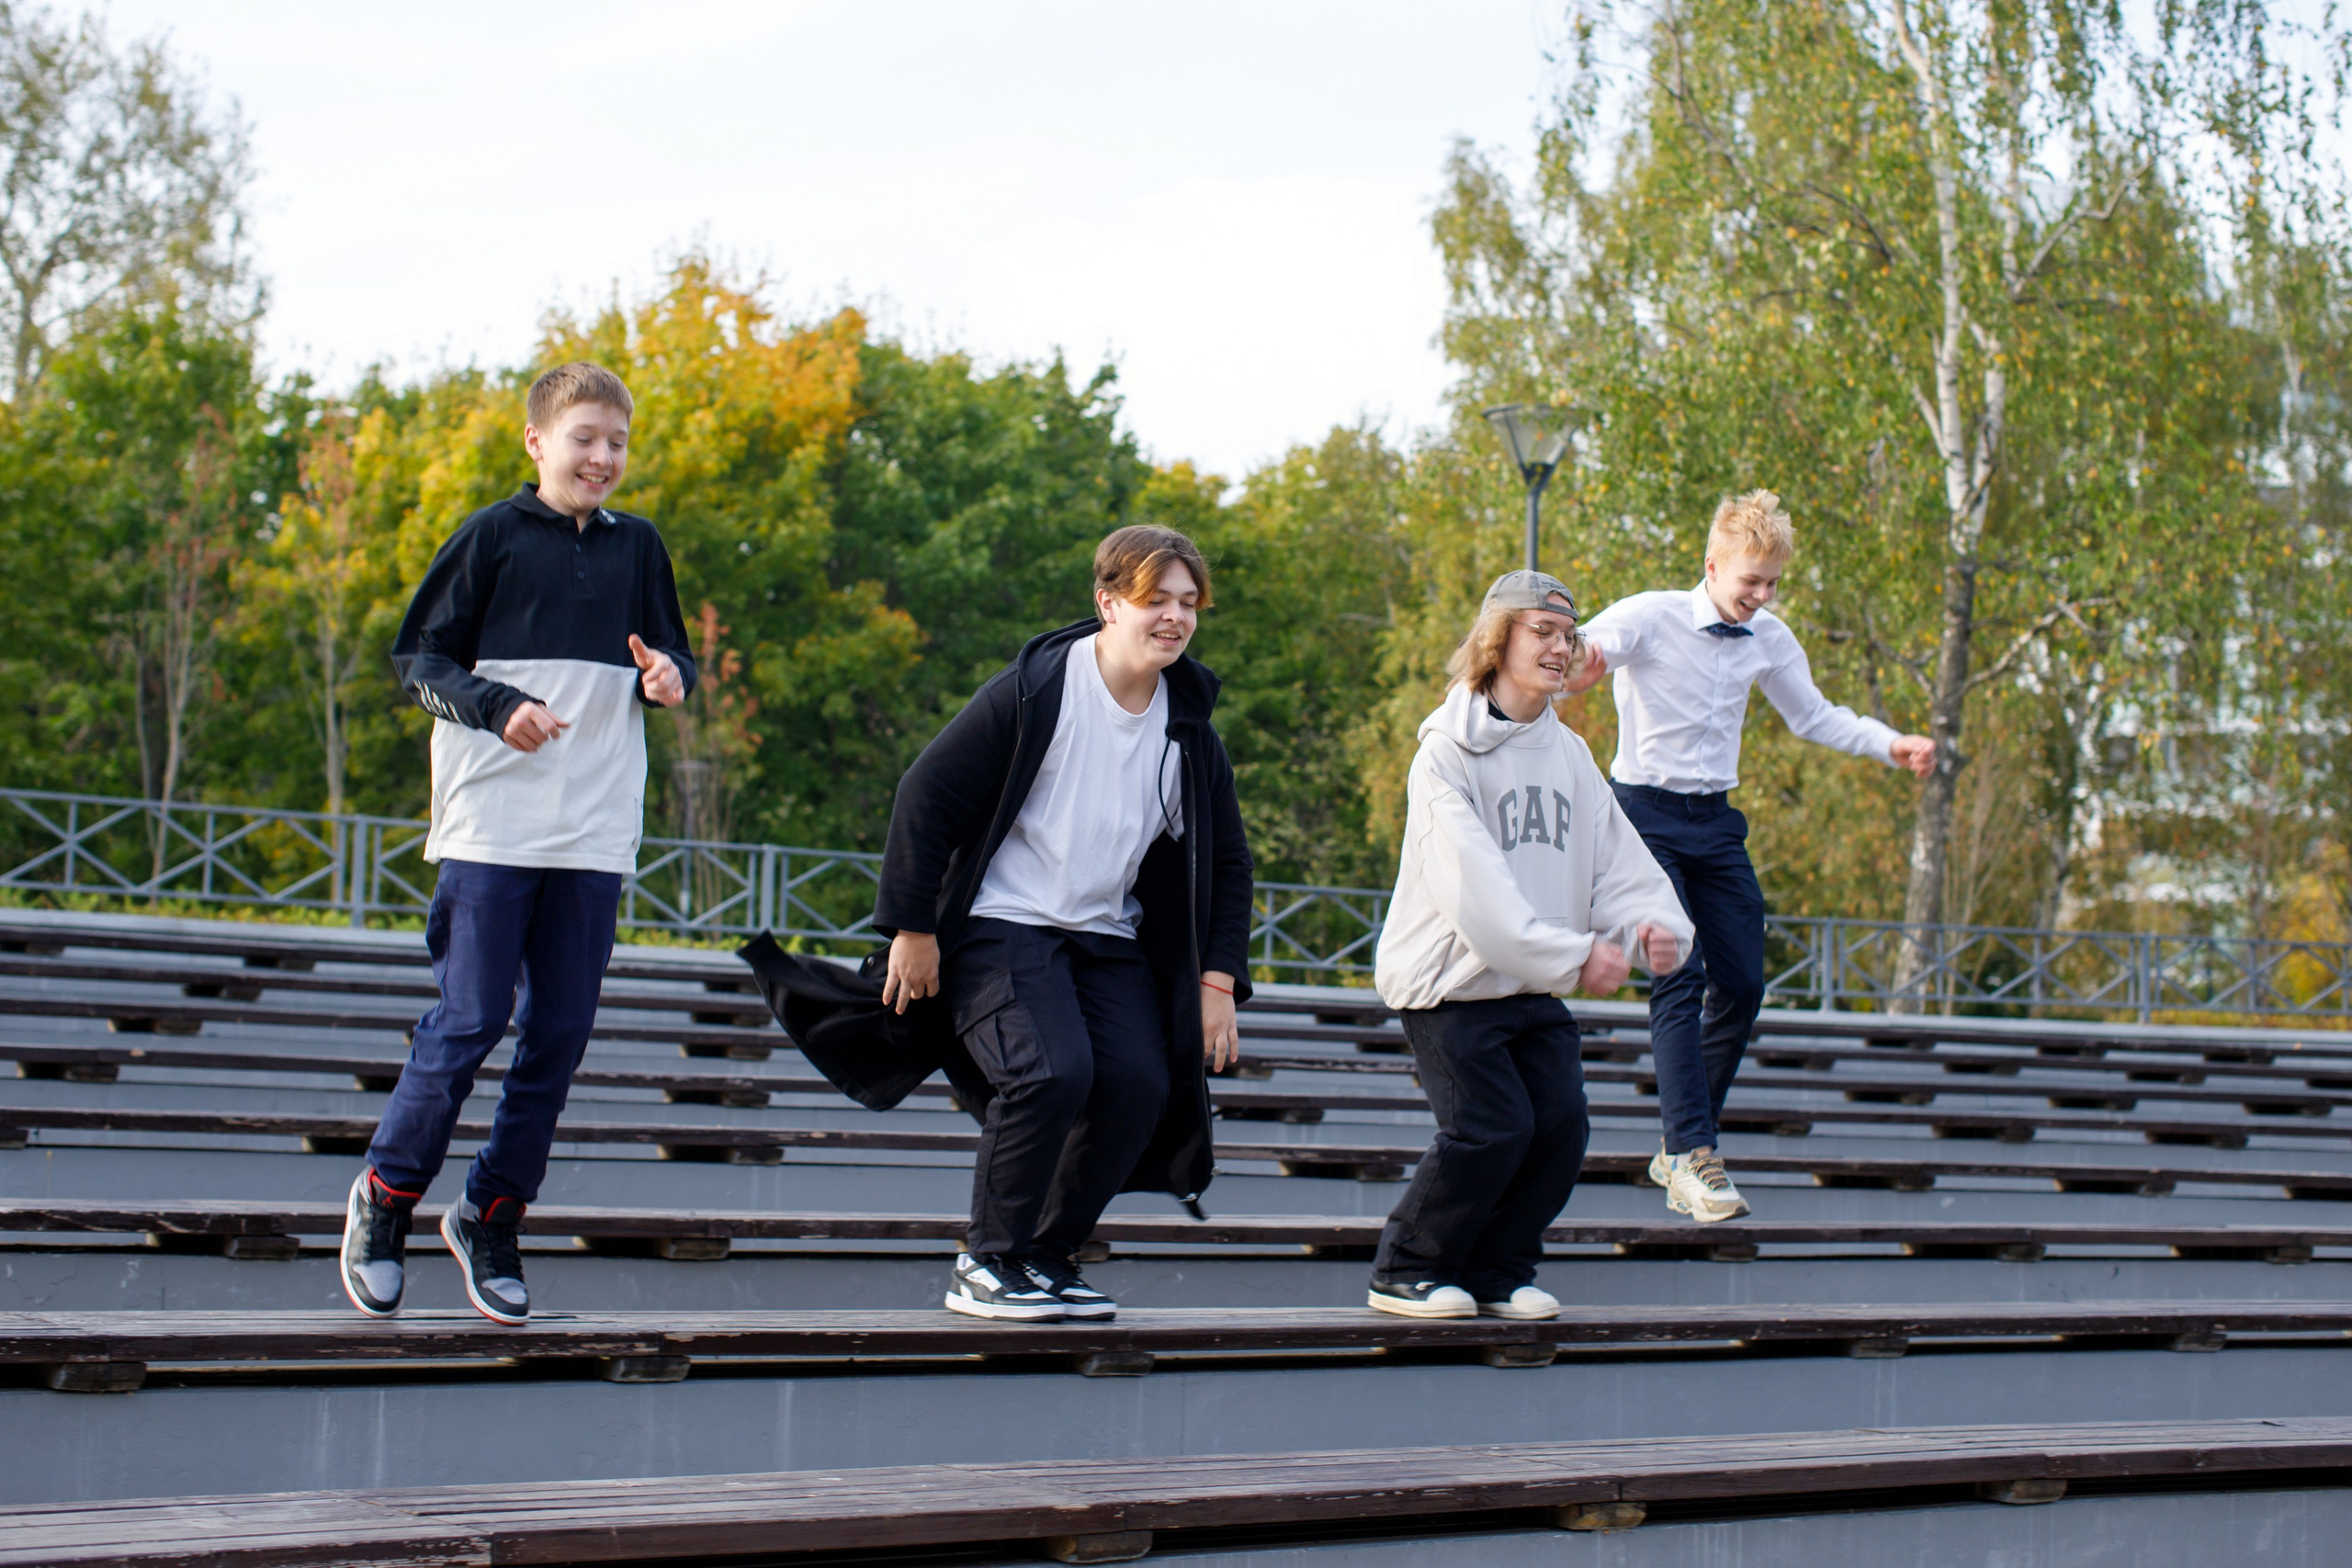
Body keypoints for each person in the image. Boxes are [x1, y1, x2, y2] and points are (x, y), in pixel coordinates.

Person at [338, 362, 696, 1325]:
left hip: (593, 829)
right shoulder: (491, 536)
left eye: (617, 442)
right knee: (469, 1018)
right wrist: (499, 709)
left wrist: (670, 678)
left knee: (561, 1033)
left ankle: (492, 1212)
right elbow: (419, 661)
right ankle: (387, 1197)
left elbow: (671, 656)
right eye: (585, 438)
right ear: (537, 441)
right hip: (493, 823)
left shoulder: (639, 547)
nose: (604, 458)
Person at [872, 525, 1254, 1324]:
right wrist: (912, 927)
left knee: (1141, 1083)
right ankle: (986, 1259)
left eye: (1189, 604)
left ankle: (1045, 1254)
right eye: (1157, 600)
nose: (1175, 618)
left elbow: (1227, 863)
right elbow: (926, 793)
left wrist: (1218, 980)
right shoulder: (1037, 690)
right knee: (1049, 1071)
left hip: (1104, 934)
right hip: (1003, 921)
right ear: (1109, 601)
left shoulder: (1187, 728)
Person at [1567, 491, 1935, 1223]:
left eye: (1772, 585)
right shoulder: (1651, 614)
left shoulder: (1769, 634)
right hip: (1643, 817)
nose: (1760, 597)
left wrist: (1888, 742)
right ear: (1713, 566)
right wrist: (1583, 661)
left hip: (1716, 822)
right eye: (1749, 583)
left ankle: (1678, 1144)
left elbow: (1814, 715)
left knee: (1742, 981)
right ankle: (1695, 1151)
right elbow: (1588, 649)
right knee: (1680, 970)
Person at [1370, 570, 1692, 1320]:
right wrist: (1577, 957)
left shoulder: (1571, 756)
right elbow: (1478, 893)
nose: (1558, 647)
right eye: (1540, 632)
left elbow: (1617, 860)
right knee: (1491, 1127)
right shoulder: (1445, 755)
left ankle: (1497, 1269)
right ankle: (1406, 1267)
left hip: (1529, 988)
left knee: (1558, 1127)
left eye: (1567, 635)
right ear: (1497, 640)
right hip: (1449, 988)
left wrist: (1653, 926)